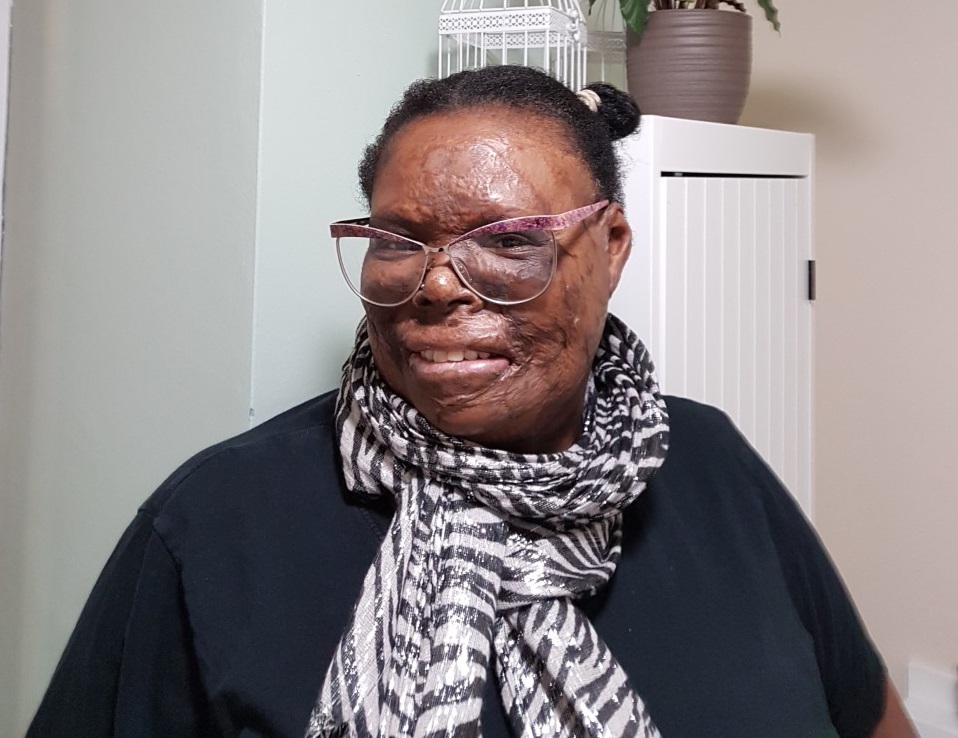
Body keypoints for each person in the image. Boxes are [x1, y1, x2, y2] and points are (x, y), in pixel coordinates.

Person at [27, 65, 916, 738]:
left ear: (610, 247)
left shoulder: (710, 461)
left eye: (509, 242)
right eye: (397, 239)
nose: (438, 284)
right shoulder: (216, 525)